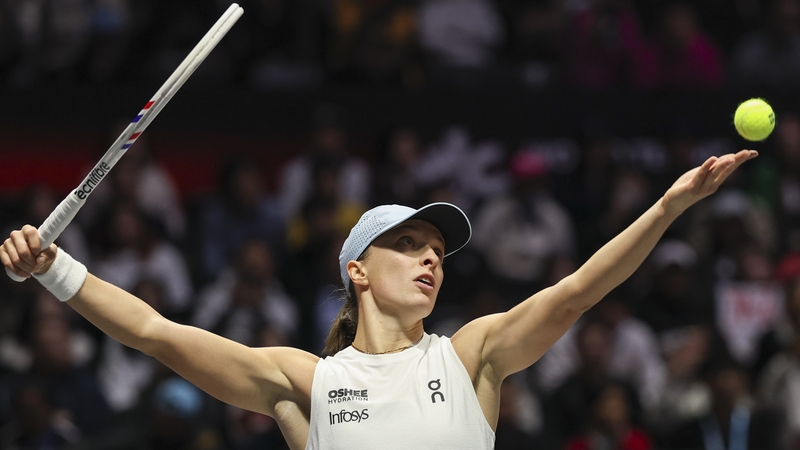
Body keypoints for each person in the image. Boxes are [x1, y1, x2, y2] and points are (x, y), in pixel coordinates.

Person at [0, 149, 756, 449]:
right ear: (358, 271)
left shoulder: (471, 356)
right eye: (409, 245)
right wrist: (55, 269)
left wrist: (669, 207)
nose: (430, 259)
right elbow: (155, 332)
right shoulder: (309, 383)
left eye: (437, 252)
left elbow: (576, 292)